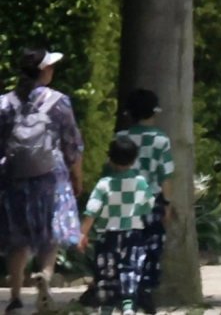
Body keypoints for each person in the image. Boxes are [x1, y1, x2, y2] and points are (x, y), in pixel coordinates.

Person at [78, 91, 166, 315]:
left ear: (110, 158)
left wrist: (82, 233)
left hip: (107, 233)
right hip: (134, 230)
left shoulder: (105, 183)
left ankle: (107, 306)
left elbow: (92, 209)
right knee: (131, 267)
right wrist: (160, 206)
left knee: (107, 269)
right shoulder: (142, 179)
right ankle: (131, 303)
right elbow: (150, 200)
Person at [0, 52, 76, 315]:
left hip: (14, 178)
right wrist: (77, 177)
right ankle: (44, 273)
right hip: (51, 176)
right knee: (51, 232)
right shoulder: (59, 102)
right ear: (44, 70)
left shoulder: (5, 103)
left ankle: (16, 297)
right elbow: (72, 144)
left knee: (17, 238)